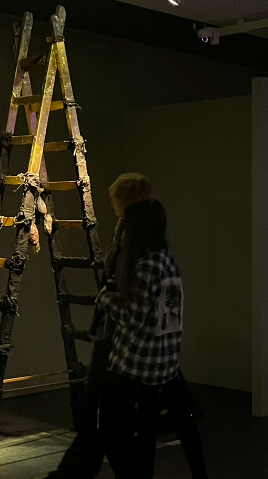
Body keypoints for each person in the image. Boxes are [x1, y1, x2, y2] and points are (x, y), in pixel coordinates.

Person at [48, 173, 155, 479]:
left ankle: (74, 473)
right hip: (114, 328)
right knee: (101, 412)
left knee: (102, 410)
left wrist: (109, 300)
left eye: (115, 198)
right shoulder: (128, 231)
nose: (112, 203)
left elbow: (129, 288)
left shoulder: (136, 236)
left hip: (122, 333)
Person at [97, 199, 207, 479]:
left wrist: (105, 299)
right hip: (165, 362)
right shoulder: (168, 259)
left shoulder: (145, 265)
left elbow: (132, 319)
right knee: (151, 430)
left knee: (109, 427)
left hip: (136, 363)